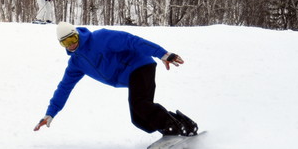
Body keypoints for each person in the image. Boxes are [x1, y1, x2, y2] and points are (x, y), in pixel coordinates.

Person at [33, 22, 197, 136]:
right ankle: (181, 125)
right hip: (132, 77)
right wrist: (50, 114)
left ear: (77, 35)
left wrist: (163, 54)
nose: (71, 45)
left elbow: (132, 41)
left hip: (140, 66)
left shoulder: (100, 38)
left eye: (72, 39)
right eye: (65, 43)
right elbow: (64, 88)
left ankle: (172, 129)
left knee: (140, 105)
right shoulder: (76, 63)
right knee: (139, 120)